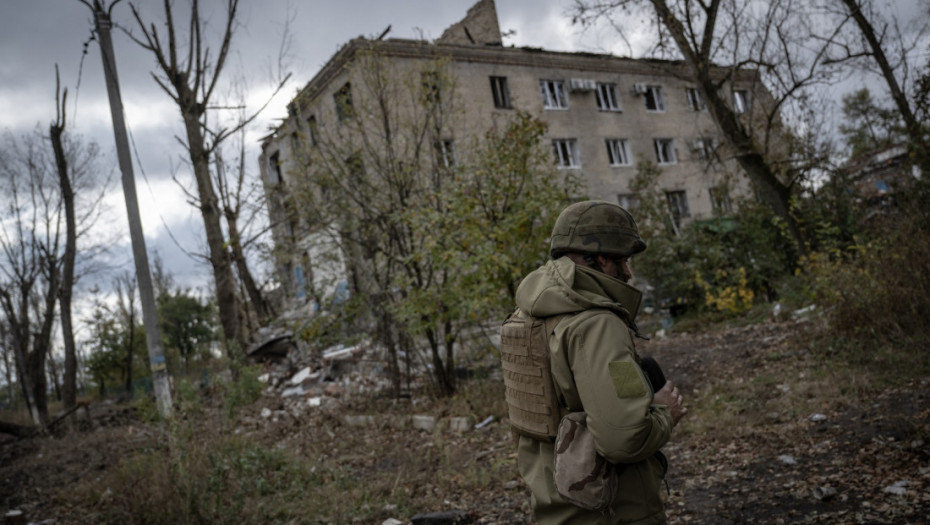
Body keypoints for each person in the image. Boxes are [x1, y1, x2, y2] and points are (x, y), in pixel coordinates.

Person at [503, 200, 687, 524]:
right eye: (624, 262)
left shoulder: (528, 314)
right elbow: (623, 437)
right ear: (603, 259)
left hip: (555, 504)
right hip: (613, 509)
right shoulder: (597, 325)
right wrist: (664, 413)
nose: (628, 273)